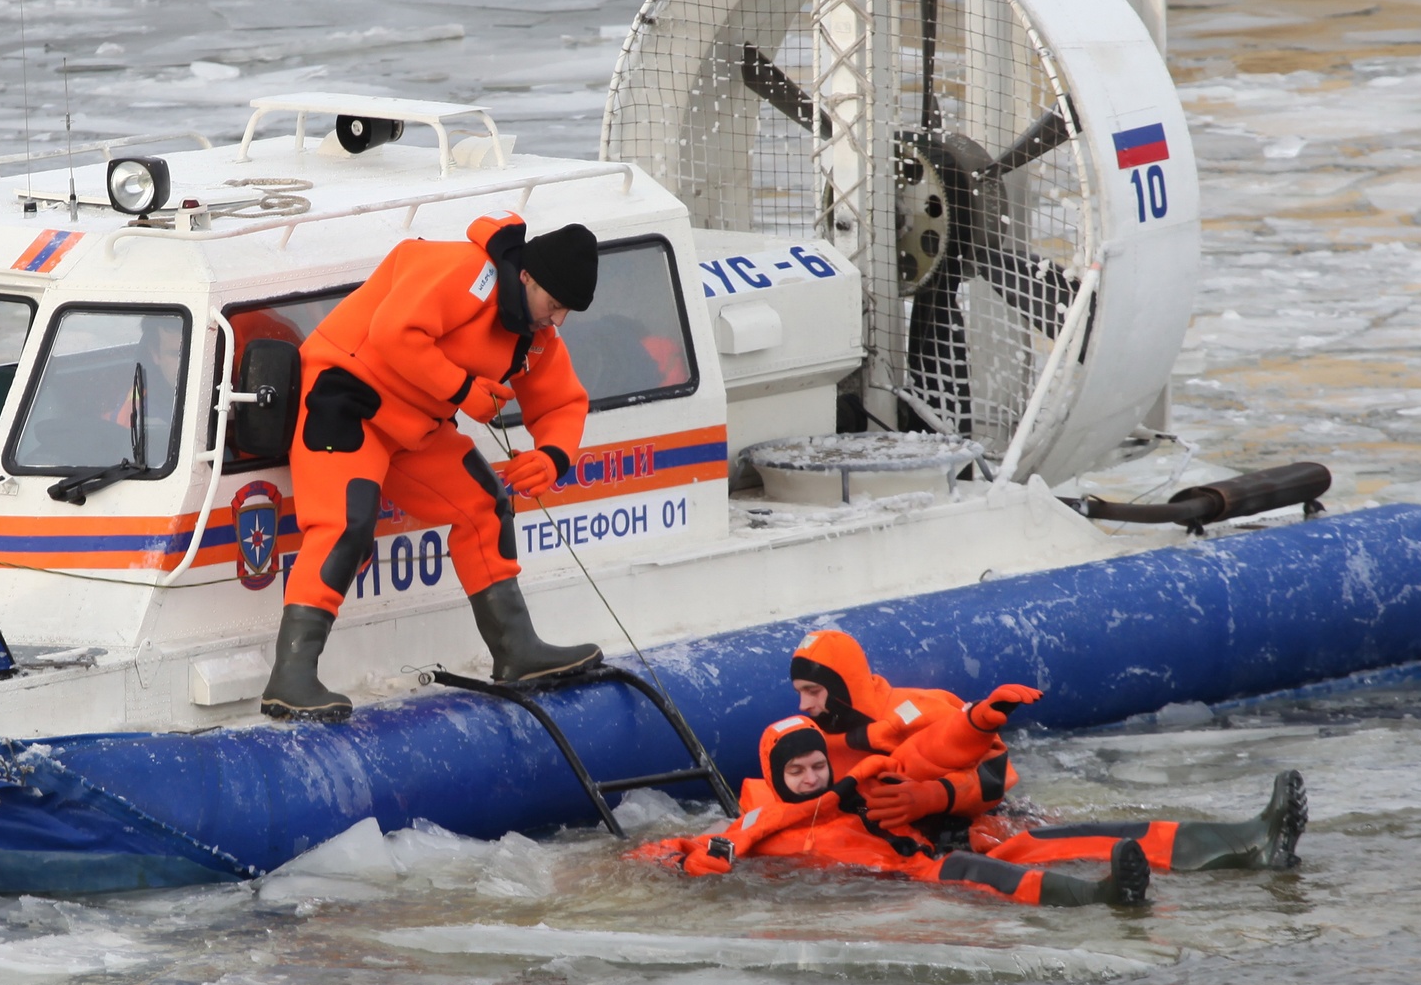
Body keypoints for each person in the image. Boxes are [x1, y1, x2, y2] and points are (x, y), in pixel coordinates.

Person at [261, 215, 604, 723]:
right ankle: (290, 678)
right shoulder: (463, 270)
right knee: (344, 524)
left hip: (416, 425)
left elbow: (561, 403)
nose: (556, 322)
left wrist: (553, 455)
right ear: (528, 276)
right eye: (554, 307)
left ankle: (517, 651)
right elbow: (396, 332)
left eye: (565, 314)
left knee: (483, 504)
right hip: (346, 401)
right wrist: (464, 390)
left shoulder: (534, 335)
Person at [783, 629, 1309, 875]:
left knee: (1084, 840)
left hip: (977, 826)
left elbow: (997, 772)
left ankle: (1247, 841)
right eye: (800, 694)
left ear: (843, 685)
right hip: (914, 855)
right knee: (1079, 850)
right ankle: (1240, 846)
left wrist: (932, 797)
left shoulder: (920, 710)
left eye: (813, 692)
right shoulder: (804, 742)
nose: (804, 706)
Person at [635, 716, 1153, 906]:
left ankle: (1195, 847)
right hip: (886, 890)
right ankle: (1099, 896)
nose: (812, 778)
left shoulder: (856, 790)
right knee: (980, 873)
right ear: (775, 778)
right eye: (797, 773)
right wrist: (687, 865)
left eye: (817, 765)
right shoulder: (752, 829)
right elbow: (654, 854)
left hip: (916, 866)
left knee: (1017, 844)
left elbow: (921, 763)